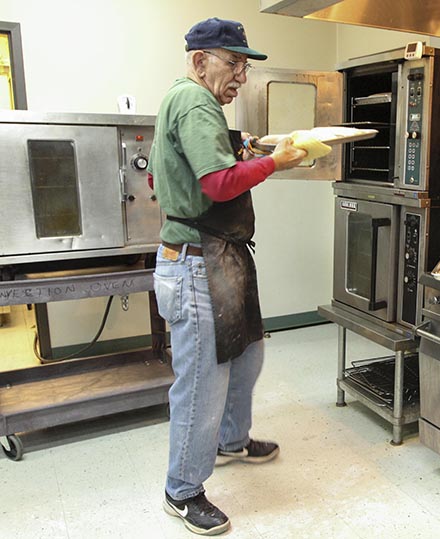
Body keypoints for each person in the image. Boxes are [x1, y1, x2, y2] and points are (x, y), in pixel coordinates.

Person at [148, 17, 308, 536]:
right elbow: (217, 185)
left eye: (245, 64)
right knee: (201, 383)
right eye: (233, 62)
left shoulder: (195, 102)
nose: (241, 74)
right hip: (195, 260)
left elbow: (179, 168)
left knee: (247, 353)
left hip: (220, 256)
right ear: (200, 61)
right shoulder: (194, 101)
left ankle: (231, 441)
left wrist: (250, 150)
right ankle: (183, 490)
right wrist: (277, 162)